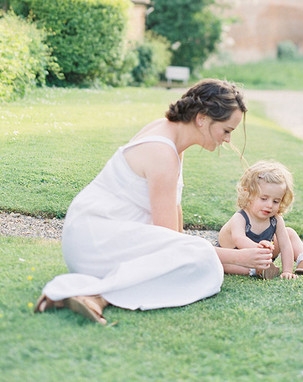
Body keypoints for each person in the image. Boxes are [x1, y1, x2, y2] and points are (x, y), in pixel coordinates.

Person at [34, 79, 274, 325]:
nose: (227, 140)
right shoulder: (162, 154)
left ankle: (95, 295)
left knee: (201, 258)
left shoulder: (171, 139)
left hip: (102, 236)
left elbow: (175, 222)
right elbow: (168, 241)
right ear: (202, 118)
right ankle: (94, 293)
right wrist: (240, 258)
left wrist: (198, 251)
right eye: (226, 130)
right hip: (95, 240)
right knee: (205, 264)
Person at [218, 160, 303, 278]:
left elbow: (285, 246)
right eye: (264, 198)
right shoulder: (240, 217)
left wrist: (287, 271)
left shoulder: (276, 220)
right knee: (222, 264)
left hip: (265, 256)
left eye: (276, 201)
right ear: (248, 194)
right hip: (239, 257)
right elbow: (239, 239)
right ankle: (255, 270)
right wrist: (259, 249)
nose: (269, 205)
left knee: (289, 233)